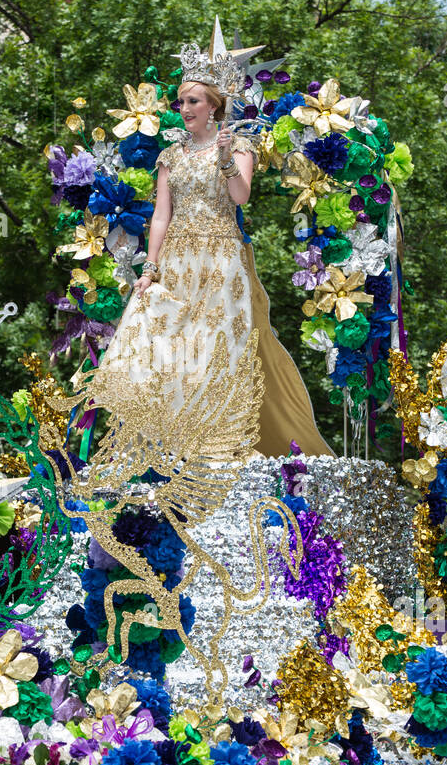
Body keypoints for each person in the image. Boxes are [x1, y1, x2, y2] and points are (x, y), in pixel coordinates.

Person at [89, 27, 333, 459]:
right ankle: (172, 449)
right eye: (181, 101)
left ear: (215, 106)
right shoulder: (170, 156)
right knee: (166, 350)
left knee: (217, 351)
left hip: (221, 261)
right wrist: (149, 268)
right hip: (177, 263)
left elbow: (241, 196)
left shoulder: (238, 145)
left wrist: (224, 161)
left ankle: (222, 452)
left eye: (193, 101)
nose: (184, 109)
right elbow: (161, 215)